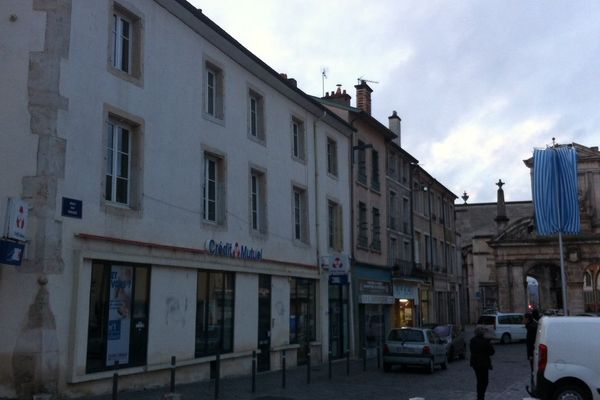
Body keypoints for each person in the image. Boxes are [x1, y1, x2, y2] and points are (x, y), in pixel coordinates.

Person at [470, 326, 495, 400]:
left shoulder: (472, 340)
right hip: (483, 363)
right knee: (484, 381)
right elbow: (492, 352)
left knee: (479, 380)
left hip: (475, 363)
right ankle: (481, 396)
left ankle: (479, 396)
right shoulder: (485, 341)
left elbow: (472, 350)